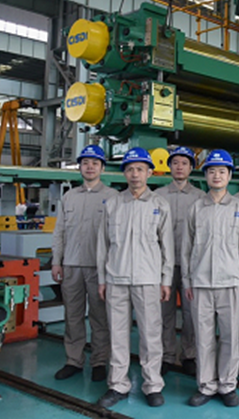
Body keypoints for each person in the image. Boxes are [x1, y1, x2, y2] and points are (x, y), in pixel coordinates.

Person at [96, 147, 174, 408]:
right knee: (117, 334)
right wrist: (102, 279)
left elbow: (167, 247)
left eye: (140, 169)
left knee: (151, 334)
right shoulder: (112, 204)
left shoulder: (159, 205)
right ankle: (117, 385)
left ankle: (152, 385)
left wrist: (165, 280)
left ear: (149, 172)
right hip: (116, 278)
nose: (135, 174)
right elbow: (103, 245)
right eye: (130, 169)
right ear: (124, 173)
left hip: (147, 278)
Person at [182, 150, 239, 408]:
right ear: (205, 176)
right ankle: (206, 385)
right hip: (201, 282)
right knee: (203, 338)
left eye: (222, 171)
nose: (216, 176)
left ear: (229, 175)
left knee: (229, 336)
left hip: (230, 282)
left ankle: (227, 385)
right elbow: (186, 248)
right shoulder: (196, 208)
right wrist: (187, 281)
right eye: (212, 171)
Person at [52, 145, 118, 383]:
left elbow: (115, 237)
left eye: (95, 163)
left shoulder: (113, 197)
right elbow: (59, 232)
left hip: (99, 268)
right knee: (72, 316)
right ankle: (73, 360)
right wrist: (56, 262)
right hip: (71, 265)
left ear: (102, 168)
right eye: (85, 163)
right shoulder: (69, 197)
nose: (90, 167)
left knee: (100, 317)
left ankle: (99, 361)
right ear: (79, 167)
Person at [154, 146, 204, 376]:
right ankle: (166, 354)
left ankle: (189, 354)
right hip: (162, 264)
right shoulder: (158, 196)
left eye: (184, 163)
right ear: (169, 166)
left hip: (191, 265)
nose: (179, 167)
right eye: (175, 163)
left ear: (191, 168)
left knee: (191, 313)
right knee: (164, 312)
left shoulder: (200, 198)